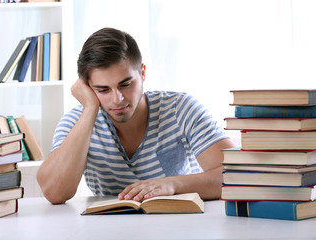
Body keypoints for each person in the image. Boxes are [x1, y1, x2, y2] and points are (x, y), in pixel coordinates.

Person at [37, 27, 236, 204]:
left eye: (125, 84)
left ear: (142, 73)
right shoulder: (76, 122)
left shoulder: (180, 108)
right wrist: (90, 108)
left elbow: (236, 176)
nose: (118, 98)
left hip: (180, 225)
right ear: (87, 87)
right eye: (103, 90)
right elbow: (55, 193)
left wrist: (173, 185)